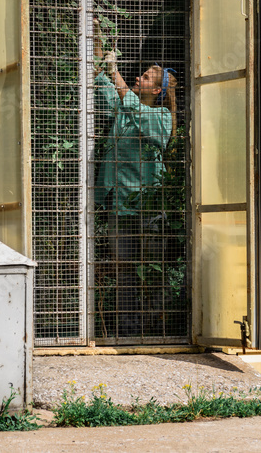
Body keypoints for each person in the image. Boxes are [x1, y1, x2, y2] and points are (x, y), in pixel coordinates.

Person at [93, 35, 177, 337]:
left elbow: (128, 100)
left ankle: (157, 327)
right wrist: (100, 57)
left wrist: (116, 72)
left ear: (156, 89)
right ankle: (127, 330)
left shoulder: (161, 116)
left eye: (144, 77)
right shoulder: (125, 111)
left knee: (153, 270)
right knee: (124, 271)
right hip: (120, 204)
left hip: (148, 207)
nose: (137, 78)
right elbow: (106, 90)